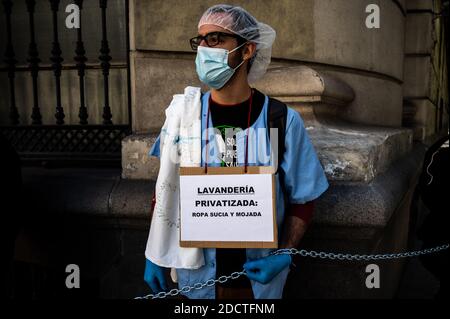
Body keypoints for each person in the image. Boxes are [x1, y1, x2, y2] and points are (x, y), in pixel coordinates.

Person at [143, 4, 329, 299]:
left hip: (256, 282)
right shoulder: (184, 116)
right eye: (200, 40)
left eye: (215, 39)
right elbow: (166, 188)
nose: (203, 49)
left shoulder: (280, 120)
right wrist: (154, 250)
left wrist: (285, 254)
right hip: (197, 281)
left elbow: (303, 198)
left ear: (247, 50)